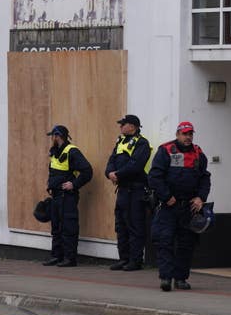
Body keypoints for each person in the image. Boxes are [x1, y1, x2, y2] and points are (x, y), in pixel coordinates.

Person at [148, 121, 210, 291]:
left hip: (189, 207)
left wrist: (200, 198)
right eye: (185, 134)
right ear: (177, 135)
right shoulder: (166, 150)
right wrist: (166, 196)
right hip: (168, 206)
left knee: (186, 243)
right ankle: (166, 278)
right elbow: (154, 176)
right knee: (164, 241)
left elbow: (205, 178)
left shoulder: (198, 153)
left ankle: (181, 278)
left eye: (190, 134)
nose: (188, 137)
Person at [105, 115, 152, 271]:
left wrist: (117, 175)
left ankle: (135, 260)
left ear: (133, 126)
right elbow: (111, 160)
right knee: (121, 224)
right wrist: (109, 173)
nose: (121, 127)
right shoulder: (120, 142)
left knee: (135, 225)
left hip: (136, 190)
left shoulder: (142, 143)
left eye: (123, 124)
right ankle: (123, 258)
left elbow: (136, 165)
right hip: (123, 190)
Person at [42, 125, 93, 268]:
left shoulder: (72, 151)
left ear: (58, 136)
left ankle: (70, 258)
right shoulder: (55, 152)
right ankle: (57, 256)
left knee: (68, 227)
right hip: (56, 196)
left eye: (53, 136)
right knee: (56, 227)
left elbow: (87, 171)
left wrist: (74, 184)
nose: (52, 138)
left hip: (67, 197)